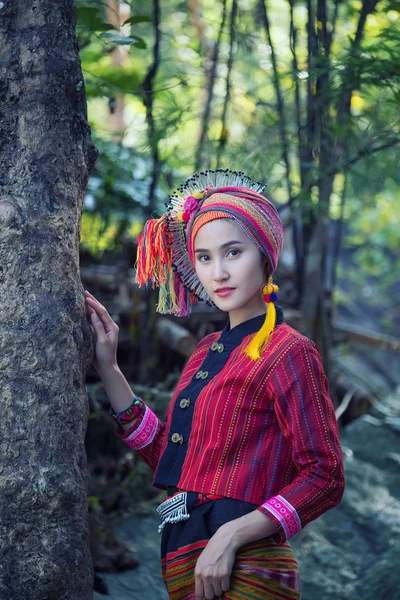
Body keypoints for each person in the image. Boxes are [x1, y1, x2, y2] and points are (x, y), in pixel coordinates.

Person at [85, 169, 345, 600]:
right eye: (204, 257)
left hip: (248, 567)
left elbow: (326, 475)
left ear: (265, 256)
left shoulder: (289, 351)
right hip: (185, 563)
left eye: (233, 252)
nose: (218, 272)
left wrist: (233, 535)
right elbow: (174, 458)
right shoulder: (206, 352)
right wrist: (109, 368)